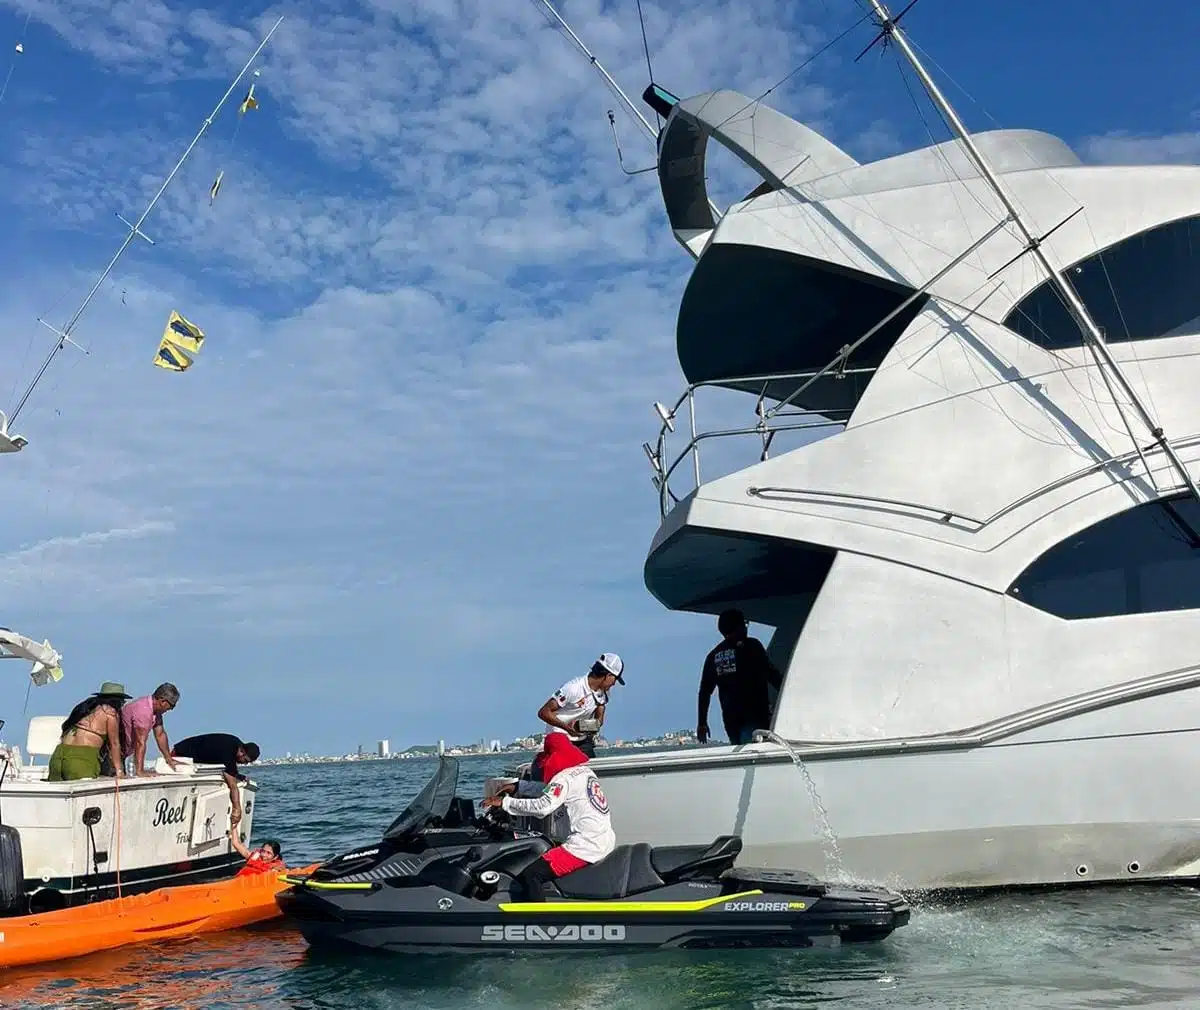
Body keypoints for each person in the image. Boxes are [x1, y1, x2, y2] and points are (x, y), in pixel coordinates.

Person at [483, 733, 615, 901]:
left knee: (531, 875)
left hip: (585, 846)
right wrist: (519, 786)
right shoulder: (584, 772)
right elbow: (551, 791)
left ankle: (538, 922)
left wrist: (504, 803)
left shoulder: (564, 778)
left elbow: (543, 806)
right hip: (603, 839)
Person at [697, 608, 783, 746]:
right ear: (739, 627)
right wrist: (789, 695)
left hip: (731, 720)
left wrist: (702, 723)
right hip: (755, 715)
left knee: (740, 746)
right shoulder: (752, 646)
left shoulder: (714, 656)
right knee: (755, 750)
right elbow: (773, 675)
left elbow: (705, 692)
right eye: (744, 624)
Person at [536, 653, 624, 760]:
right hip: (560, 736)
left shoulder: (604, 693)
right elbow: (543, 712)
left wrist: (587, 726)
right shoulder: (573, 688)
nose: (614, 684)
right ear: (609, 676)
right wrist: (567, 728)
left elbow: (599, 722)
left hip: (582, 740)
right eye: (615, 679)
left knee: (591, 770)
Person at [172, 733, 260, 828]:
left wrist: (236, 775)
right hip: (179, 755)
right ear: (241, 752)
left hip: (190, 753)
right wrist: (237, 808)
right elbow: (233, 786)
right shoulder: (228, 752)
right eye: (245, 761)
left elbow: (228, 768)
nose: (245, 764)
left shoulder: (235, 744)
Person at [47, 681, 129, 781]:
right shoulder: (110, 713)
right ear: (117, 701)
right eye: (123, 702)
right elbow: (115, 743)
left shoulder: (85, 708)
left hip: (58, 756)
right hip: (81, 759)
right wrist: (119, 771)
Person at [121, 682, 180, 777]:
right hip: (112, 753)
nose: (171, 709)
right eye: (172, 705)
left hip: (123, 753)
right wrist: (140, 771)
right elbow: (140, 742)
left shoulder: (156, 712)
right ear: (162, 701)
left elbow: (160, 735)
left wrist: (169, 759)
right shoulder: (144, 711)